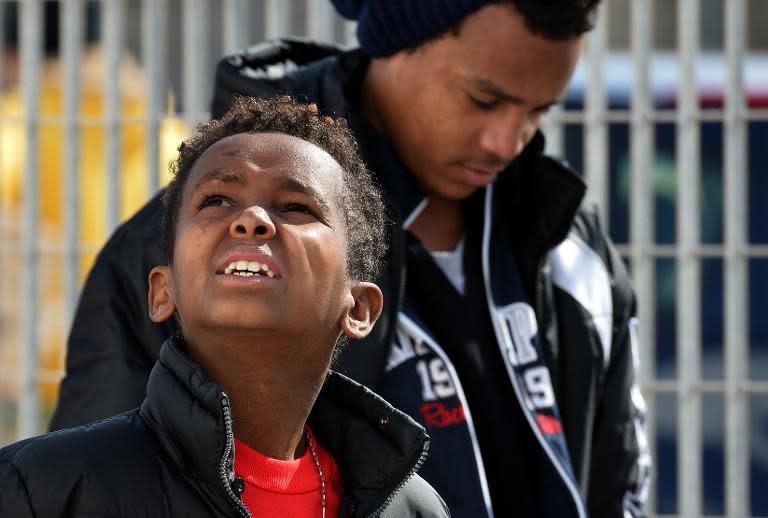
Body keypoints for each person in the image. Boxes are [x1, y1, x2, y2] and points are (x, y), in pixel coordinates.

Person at [51, 1, 651, 516]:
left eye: (536, 112)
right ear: (397, 41)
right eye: (482, 99)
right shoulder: (203, 244)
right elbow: (102, 487)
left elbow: (618, 479)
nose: (506, 141)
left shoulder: (565, 239)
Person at [0, 96, 449, 518]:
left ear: (361, 308)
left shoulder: (411, 508)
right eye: (216, 200)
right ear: (162, 291)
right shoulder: (43, 490)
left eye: (296, 206)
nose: (251, 220)